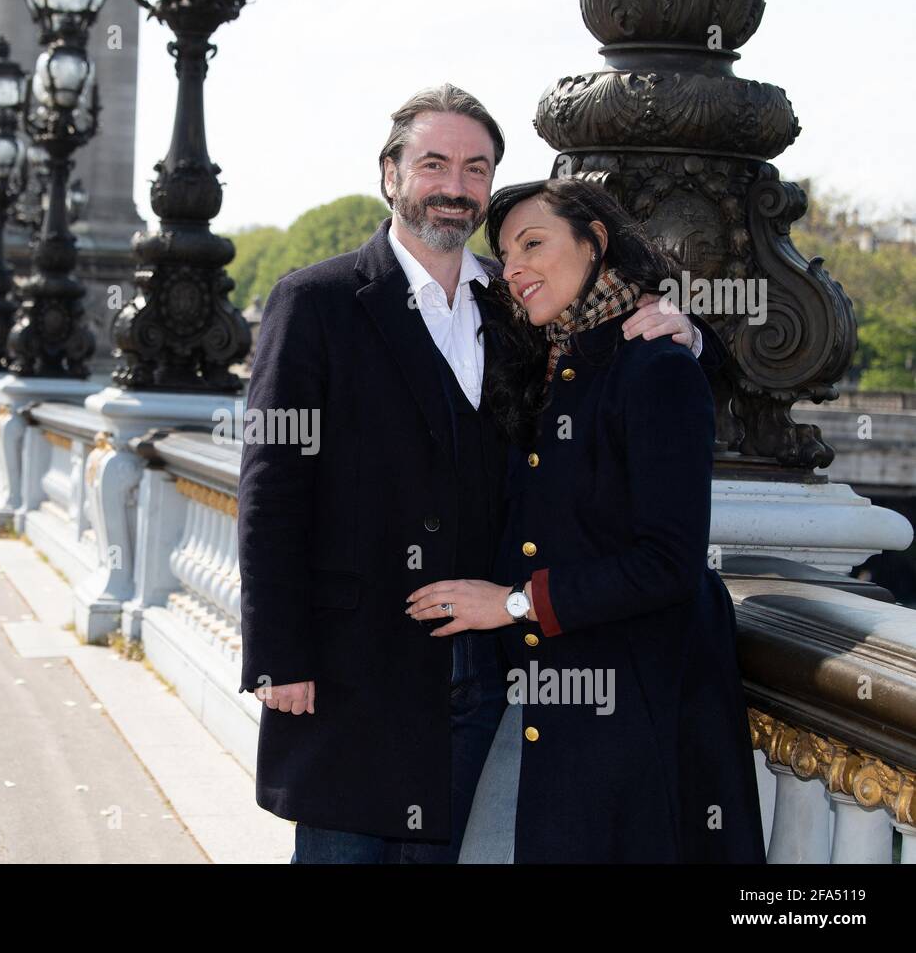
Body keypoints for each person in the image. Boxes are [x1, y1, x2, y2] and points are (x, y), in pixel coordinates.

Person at [237, 84, 712, 864]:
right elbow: (272, 491)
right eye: (434, 164)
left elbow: (623, 360)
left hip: (482, 668)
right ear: (390, 175)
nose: (455, 186)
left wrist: (691, 332)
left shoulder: (517, 300)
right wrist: (279, 657)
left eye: (476, 168)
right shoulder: (313, 302)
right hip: (353, 666)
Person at [406, 177, 763, 863]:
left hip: (634, 715)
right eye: (506, 254)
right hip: (553, 707)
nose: (513, 269)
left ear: (595, 240)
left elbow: (668, 563)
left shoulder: (655, 366)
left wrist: (512, 603)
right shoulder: (549, 363)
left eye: (533, 243)